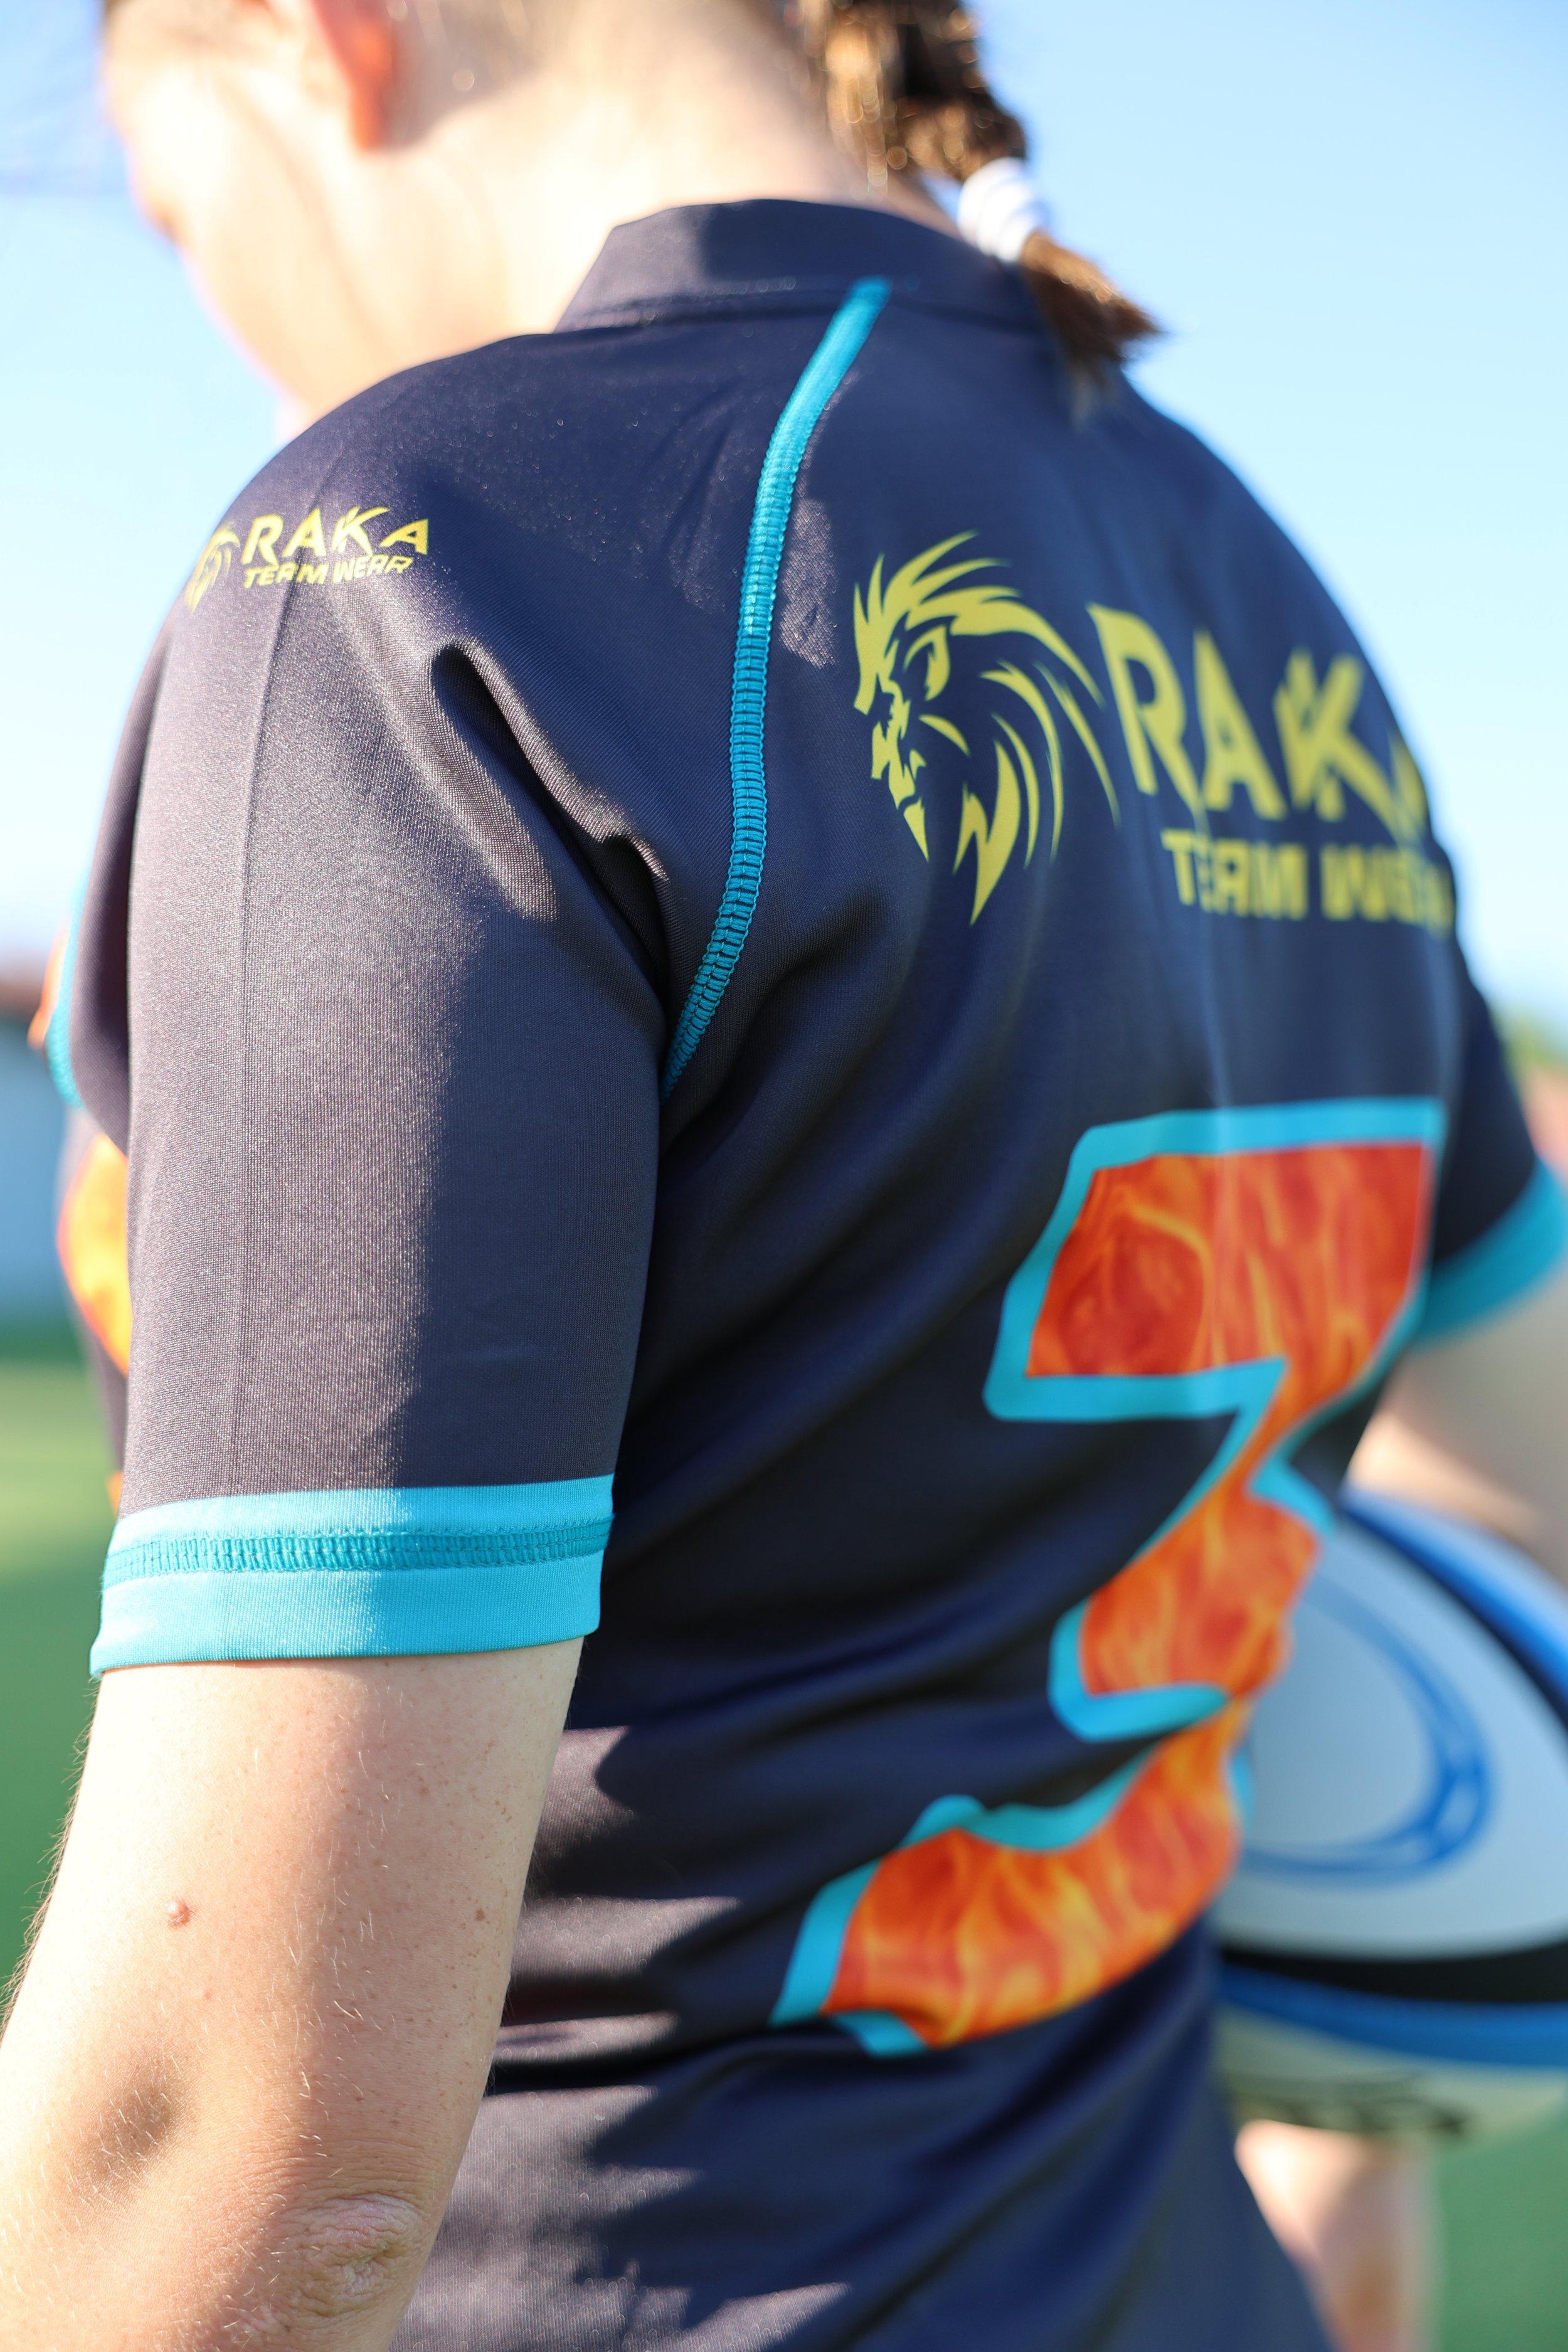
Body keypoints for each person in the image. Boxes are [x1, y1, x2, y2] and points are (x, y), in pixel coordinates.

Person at [3, 2, 1565, 2345]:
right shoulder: (1260, 593)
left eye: (170, 209)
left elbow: (246, 2143)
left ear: (326, 41)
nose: (214, 312)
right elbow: (1525, 1490)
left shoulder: (447, 556)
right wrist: (1350, 2136)